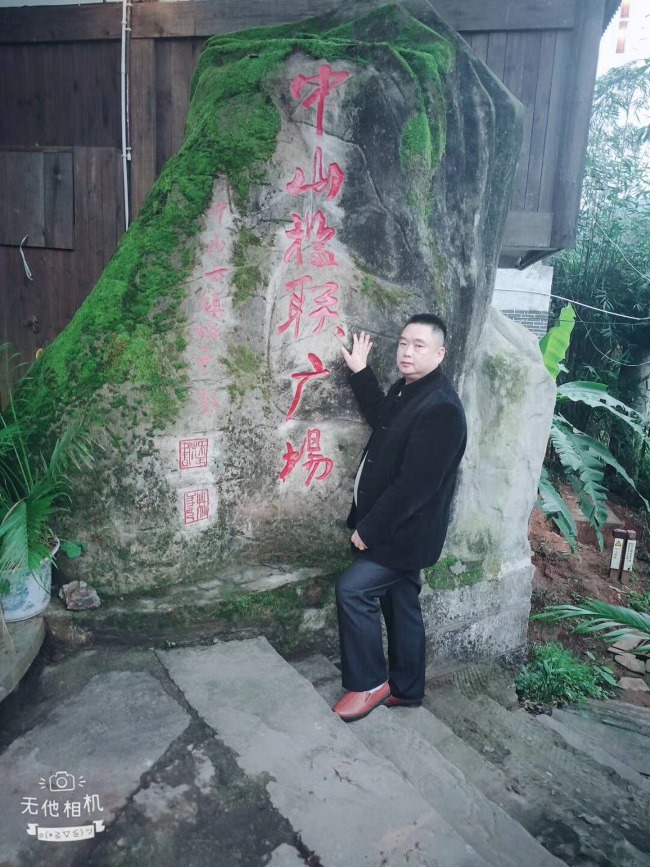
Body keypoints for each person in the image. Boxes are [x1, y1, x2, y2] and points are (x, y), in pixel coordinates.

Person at [332, 313, 467, 722]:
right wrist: (361, 372)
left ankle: (370, 683)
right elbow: (383, 419)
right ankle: (407, 688)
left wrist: (369, 531)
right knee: (401, 602)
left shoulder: (441, 408)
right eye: (403, 343)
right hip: (393, 528)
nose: (407, 352)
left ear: (440, 354)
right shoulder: (408, 388)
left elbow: (414, 487)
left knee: (353, 590)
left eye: (419, 346)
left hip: (402, 535)